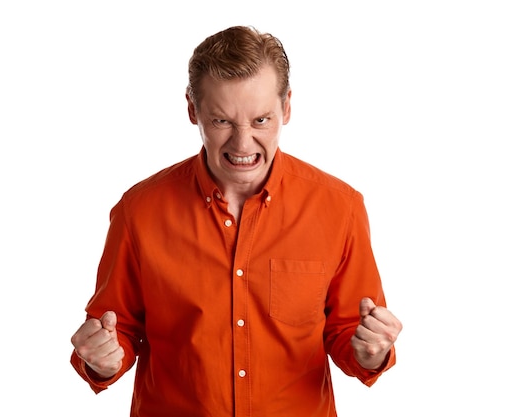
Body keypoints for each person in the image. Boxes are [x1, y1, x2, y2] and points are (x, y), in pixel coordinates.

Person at [70, 25, 402, 417]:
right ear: (193, 110)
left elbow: (350, 334)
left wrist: (371, 353)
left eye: (261, 120)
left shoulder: (340, 207)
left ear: (287, 107)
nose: (243, 144)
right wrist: (101, 361)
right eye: (221, 121)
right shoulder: (138, 210)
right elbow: (117, 330)